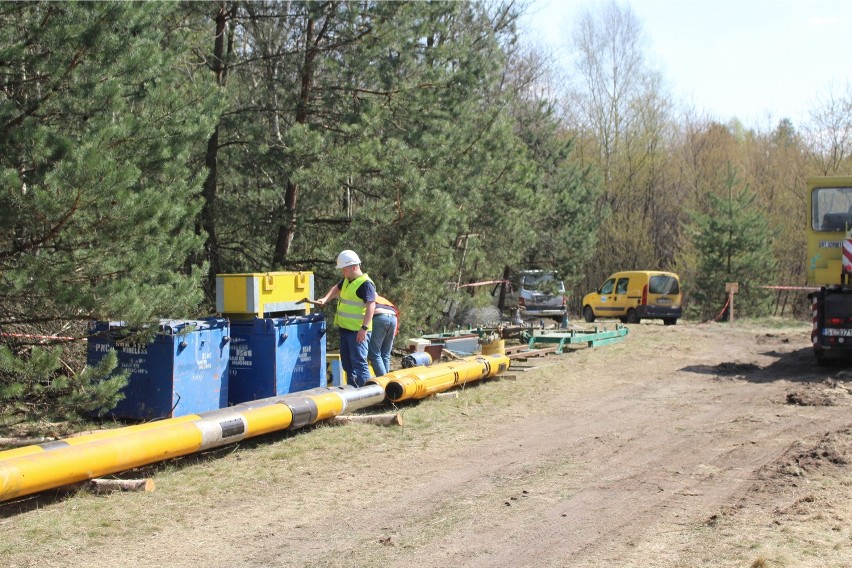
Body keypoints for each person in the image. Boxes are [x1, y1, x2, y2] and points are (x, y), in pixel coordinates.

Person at [315, 250, 375, 387]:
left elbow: (371, 306)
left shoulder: (366, 284)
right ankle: (353, 392)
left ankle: (367, 394)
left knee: (359, 364)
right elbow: (336, 288)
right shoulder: (348, 281)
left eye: (344, 269)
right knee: (348, 365)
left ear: (354, 267)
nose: (343, 272)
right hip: (346, 330)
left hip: (358, 332)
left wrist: (364, 329)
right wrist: (325, 299)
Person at [368, 295, 399, 376]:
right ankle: (388, 381)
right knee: (385, 353)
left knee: (374, 353)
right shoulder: (382, 299)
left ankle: (383, 381)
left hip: (379, 317)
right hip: (393, 318)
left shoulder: (365, 296)